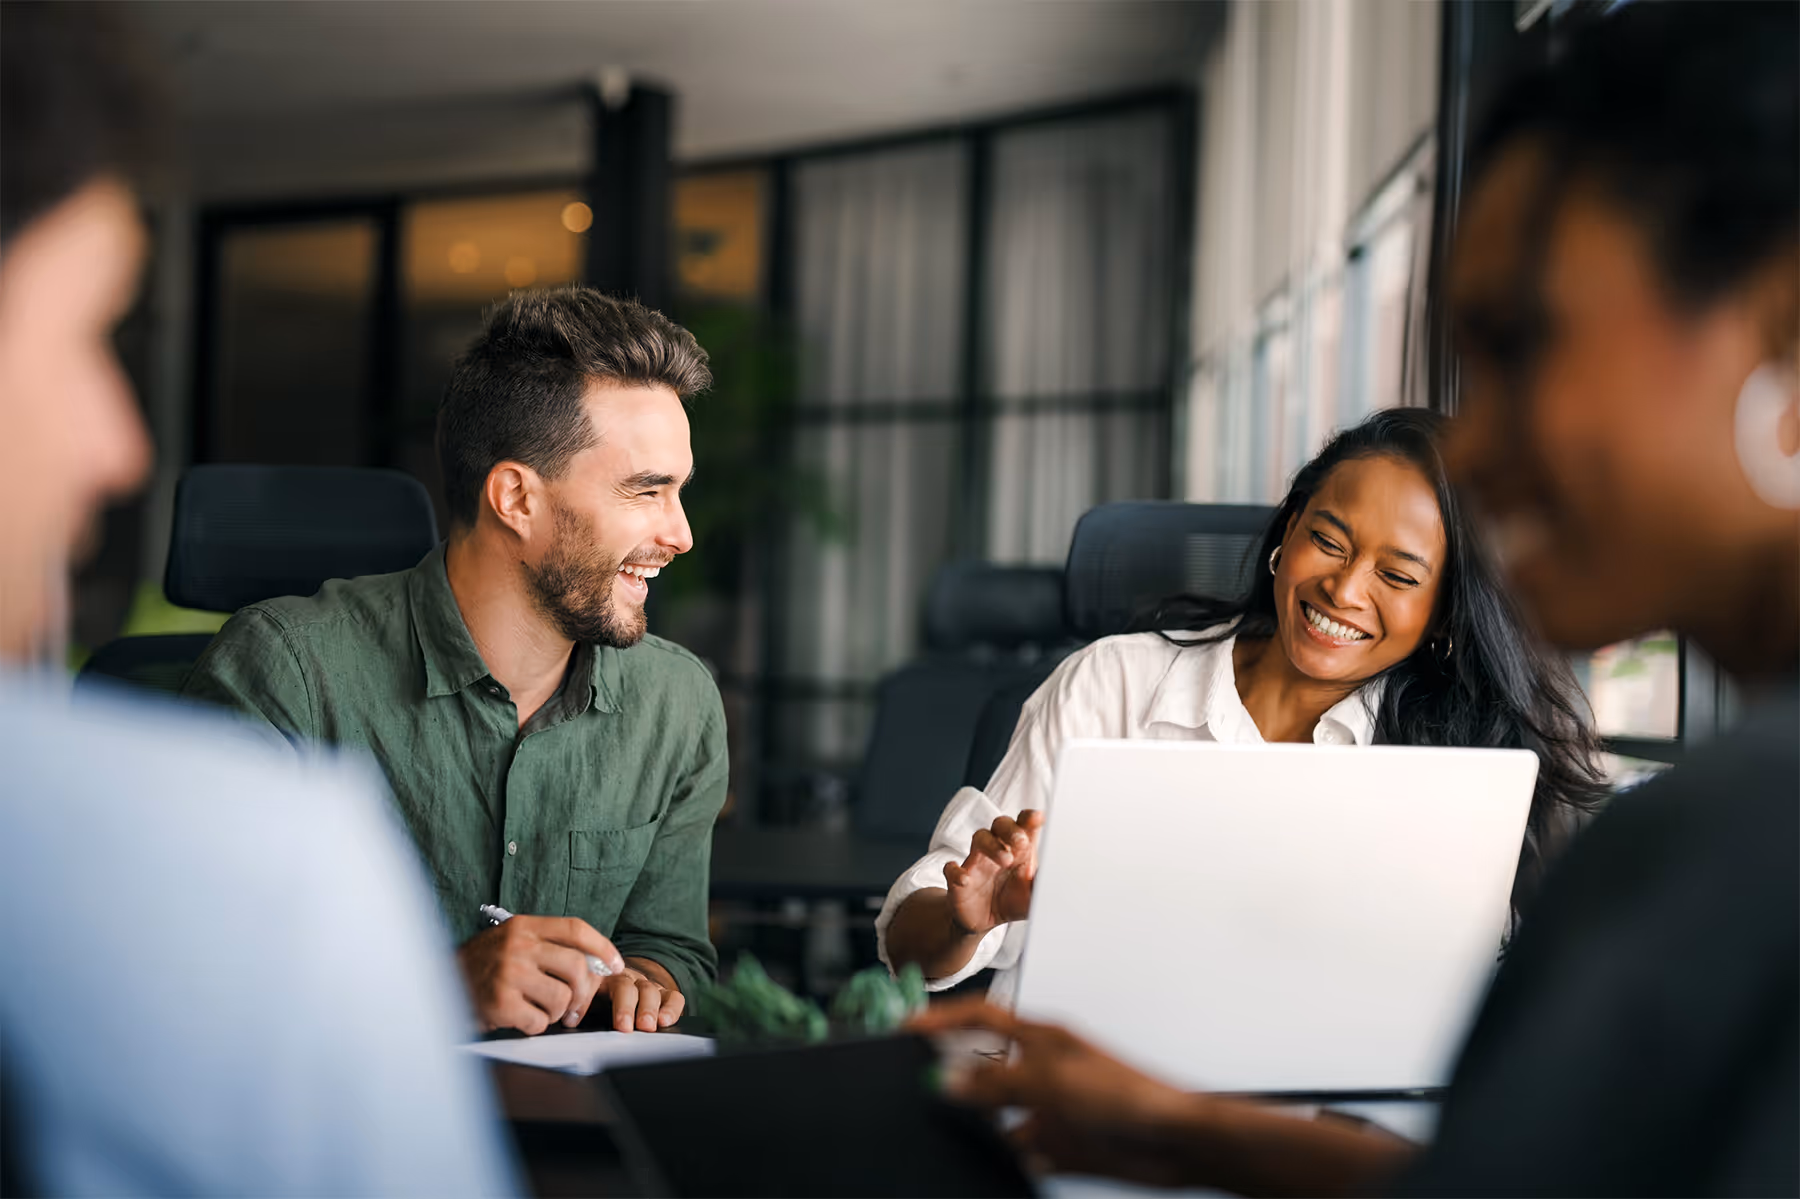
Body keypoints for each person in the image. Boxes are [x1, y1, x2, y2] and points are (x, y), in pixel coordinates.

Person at [915, 2, 1799, 1195]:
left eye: (1518, 343)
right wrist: (1178, 1130)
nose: (1473, 457)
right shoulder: (1722, 823)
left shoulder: (1730, 841)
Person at [0, 4, 516, 1194]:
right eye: (77, 332)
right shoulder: (238, 860)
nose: (120, 446)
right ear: (512, 496)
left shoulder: (668, 696)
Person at [880, 407, 1607, 1001]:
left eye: (1397, 574)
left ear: (1445, 617)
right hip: (1064, 1105)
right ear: (1287, 534)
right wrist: (968, 918)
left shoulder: (1452, 770)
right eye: (1329, 539)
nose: (1345, 590)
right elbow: (910, 941)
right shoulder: (1112, 683)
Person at [182, 287, 726, 1037]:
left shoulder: (677, 701)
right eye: (647, 491)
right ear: (516, 498)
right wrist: (435, 988)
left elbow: (669, 947)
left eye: (679, 491)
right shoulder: (285, 673)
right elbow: (193, 973)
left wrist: (645, 983)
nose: (681, 533)